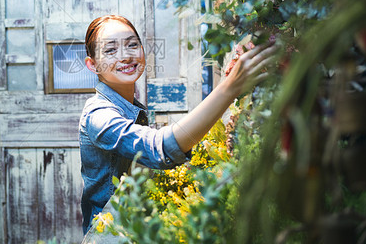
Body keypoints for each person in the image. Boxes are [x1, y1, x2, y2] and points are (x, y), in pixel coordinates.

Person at [79, 15, 277, 234]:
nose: (125, 56)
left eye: (132, 45)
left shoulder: (130, 107)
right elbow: (158, 148)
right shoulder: (98, 115)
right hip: (110, 235)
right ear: (93, 65)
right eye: (110, 50)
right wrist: (229, 87)